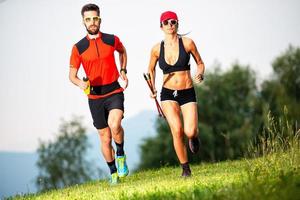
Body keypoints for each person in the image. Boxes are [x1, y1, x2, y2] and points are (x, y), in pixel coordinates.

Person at [69, 3, 129, 184]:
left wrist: (123, 70)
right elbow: (72, 75)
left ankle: (120, 154)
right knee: (104, 137)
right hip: (94, 96)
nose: (92, 22)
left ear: (100, 19)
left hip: (114, 91)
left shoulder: (112, 39)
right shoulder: (78, 47)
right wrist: (82, 84)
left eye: (95, 18)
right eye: (88, 19)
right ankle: (113, 174)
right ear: (83, 22)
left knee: (115, 123)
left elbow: (122, 51)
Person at [147, 11, 205, 177]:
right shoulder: (157, 49)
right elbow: (150, 69)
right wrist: (152, 88)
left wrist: (200, 73)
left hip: (187, 92)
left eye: (173, 22)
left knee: (190, 131)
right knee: (177, 130)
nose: (170, 25)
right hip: (167, 94)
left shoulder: (187, 43)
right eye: (166, 22)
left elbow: (200, 63)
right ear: (161, 26)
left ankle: (194, 137)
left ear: (177, 24)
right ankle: (185, 169)